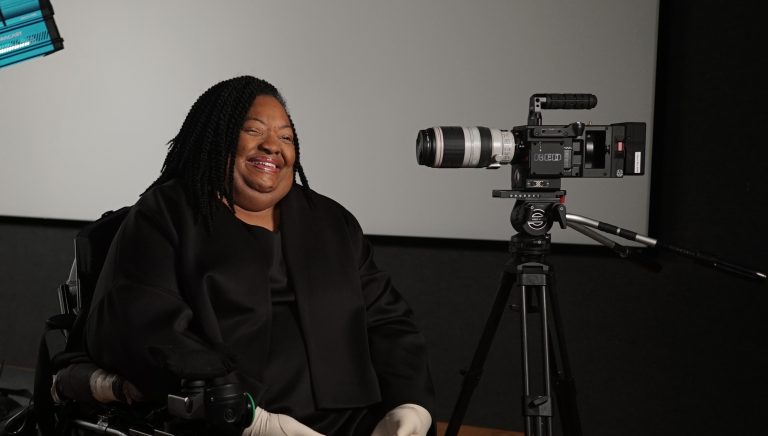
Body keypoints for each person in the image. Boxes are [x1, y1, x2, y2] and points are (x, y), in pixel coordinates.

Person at [80, 76, 436, 436]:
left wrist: (409, 403)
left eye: (286, 137)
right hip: (232, 418)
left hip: (356, 422)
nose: (273, 146)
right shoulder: (168, 214)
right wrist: (248, 416)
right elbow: (143, 324)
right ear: (215, 137)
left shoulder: (332, 221)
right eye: (254, 131)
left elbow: (387, 320)